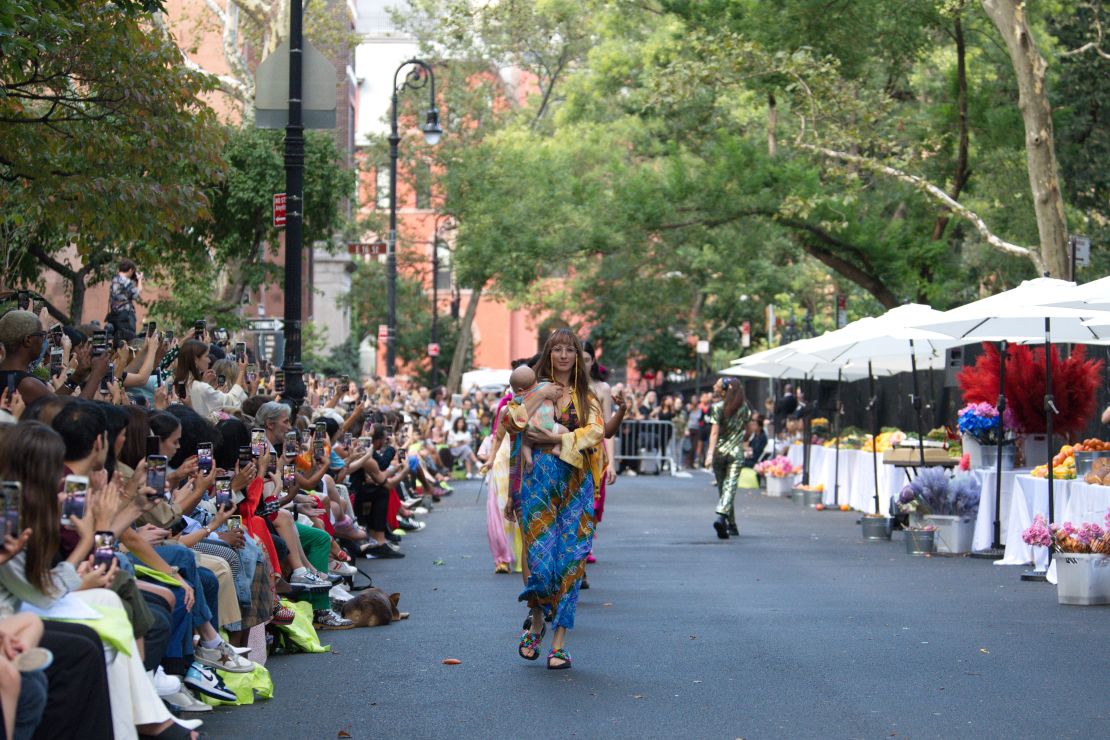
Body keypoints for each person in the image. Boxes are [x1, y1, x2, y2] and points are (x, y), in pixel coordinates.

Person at [505, 328, 603, 670]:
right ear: (549, 353)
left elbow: (596, 432)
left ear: (578, 356)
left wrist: (555, 438)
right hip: (537, 483)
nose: (563, 355)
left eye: (570, 350)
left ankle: (559, 642)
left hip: (577, 482)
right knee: (541, 560)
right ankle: (535, 619)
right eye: (557, 349)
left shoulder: (585, 396)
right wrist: (539, 395)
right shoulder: (534, 388)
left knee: (570, 562)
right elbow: (512, 423)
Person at [706, 378, 753, 540]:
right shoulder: (744, 408)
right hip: (735, 451)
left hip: (719, 452)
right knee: (730, 486)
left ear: (724, 391)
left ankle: (730, 523)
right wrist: (744, 442)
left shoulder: (717, 408)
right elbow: (748, 428)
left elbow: (714, 433)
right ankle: (723, 517)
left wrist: (710, 454)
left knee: (723, 487)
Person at [107, 259, 142, 339]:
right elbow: (136, 294)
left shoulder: (114, 280)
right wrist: (139, 279)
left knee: (117, 340)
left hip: (114, 315)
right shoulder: (126, 281)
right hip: (125, 316)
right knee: (130, 339)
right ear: (130, 270)